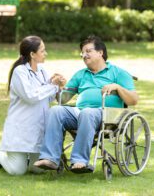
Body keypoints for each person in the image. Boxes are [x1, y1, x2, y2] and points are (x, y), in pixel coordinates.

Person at [33, 35, 138, 173]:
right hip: (79, 112)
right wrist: (61, 86)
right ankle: (50, 158)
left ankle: (79, 160)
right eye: (83, 52)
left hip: (107, 115)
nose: (84, 55)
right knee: (56, 110)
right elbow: (63, 99)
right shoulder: (81, 74)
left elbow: (134, 100)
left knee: (87, 113)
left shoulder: (118, 73)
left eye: (88, 51)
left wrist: (117, 87)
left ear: (100, 53)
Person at [0, 36, 66, 175]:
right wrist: (52, 86)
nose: (46, 53)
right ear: (32, 54)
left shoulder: (42, 70)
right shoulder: (20, 72)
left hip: (38, 126)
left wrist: (58, 86)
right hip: (21, 127)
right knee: (17, 171)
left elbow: (47, 98)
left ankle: (24, 159)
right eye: (42, 51)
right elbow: (31, 96)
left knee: (37, 169)